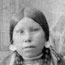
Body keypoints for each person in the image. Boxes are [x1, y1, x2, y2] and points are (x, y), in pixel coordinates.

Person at [0, 7, 65, 65]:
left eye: (34, 30)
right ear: (12, 41)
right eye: (21, 32)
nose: (27, 38)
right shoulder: (6, 63)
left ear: (46, 37)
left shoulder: (59, 62)